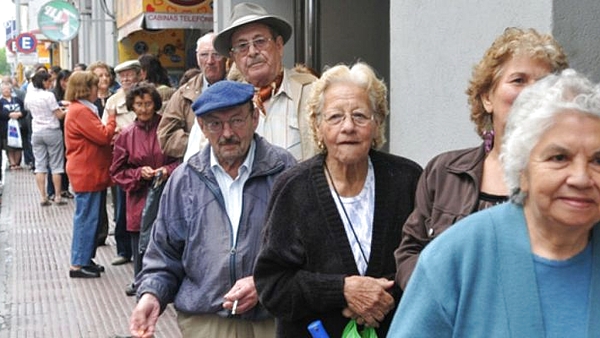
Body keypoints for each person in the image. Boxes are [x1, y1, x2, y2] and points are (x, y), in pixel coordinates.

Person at [388, 68, 600, 337]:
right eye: (559, 158)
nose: (581, 178)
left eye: (598, 160)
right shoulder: (457, 257)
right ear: (522, 170)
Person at [253, 63, 423, 337]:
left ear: (377, 122)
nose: (348, 127)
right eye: (334, 117)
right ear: (318, 126)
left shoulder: (407, 180)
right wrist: (343, 291)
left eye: (360, 115)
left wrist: (378, 297)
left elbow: (428, 267)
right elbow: (273, 285)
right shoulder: (293, 188)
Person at [393, 27, 569, 289]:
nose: (531, 92)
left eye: (543, 84)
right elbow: (410, 253)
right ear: (487, 97)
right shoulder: (443, 172)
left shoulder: (571, 178)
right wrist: (440, 295)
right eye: (518, 80)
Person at [129, 81, 296, 338]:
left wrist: (264, 283)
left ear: (254, 118)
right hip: (206, 322)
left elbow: (305, 250)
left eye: (237, 120)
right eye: (215, 124)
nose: (227, 133)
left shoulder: (285, 170)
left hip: (271, 319)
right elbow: (163, 254)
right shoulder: (184, 179)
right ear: (202, 127)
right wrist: (151, 294)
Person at [213, 2, 318, 161]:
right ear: (234, 58)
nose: (253, 52)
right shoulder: (222, 104)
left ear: (279, 46)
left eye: (260, 41)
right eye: (242, 46)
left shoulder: (313, 93)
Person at [110, 82, 180, 296]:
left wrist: (167, 170)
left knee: (170, 240)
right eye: (139, 104)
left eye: (148, 103)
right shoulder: (126, 135)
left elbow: (181, 159)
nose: (144, 109)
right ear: (132, 106)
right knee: (141, 241)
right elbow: (116, 171)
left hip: (168, 194)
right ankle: (141, 280)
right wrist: (138, 174)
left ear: (155, 104)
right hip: (139, 197)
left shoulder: (166, 129)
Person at [64, 71, 116, 278]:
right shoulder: (80, 111)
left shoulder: (80, 109)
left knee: (90, 217)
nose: (99, 89)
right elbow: (103, 136)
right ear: (86, 88)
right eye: (95, 86)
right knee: (86, 217)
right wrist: (112, 120)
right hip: (87, 170)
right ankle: (78, 263)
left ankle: (85, 258)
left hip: (89, 169)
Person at [157, 32, 227, 159]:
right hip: (198, 169)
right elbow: (166, 136)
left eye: (216, 55)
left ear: (226, 57)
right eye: (204, 55)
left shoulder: (241, 87)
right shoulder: (184, 94)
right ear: (197, 59)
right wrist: (200, 144)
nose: (210, 61)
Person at [104, 60, 143, 266]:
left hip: (145, 155)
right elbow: (106, 128)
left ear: (139, 75)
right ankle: (123, 249)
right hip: (122, 156)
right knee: (121, 206)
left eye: (130, 75)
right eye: (122, 76)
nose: (126, 79)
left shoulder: (147, 94)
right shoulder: (113, 101)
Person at [24, 71, 68, 206]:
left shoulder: (29, 96)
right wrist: (68, 110)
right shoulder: (48, 95)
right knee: (56, 165)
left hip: (37, 132)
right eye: (49, 81)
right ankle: (58, 196)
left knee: (40, 165)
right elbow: (59, 115)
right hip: (52, 131)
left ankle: (43, 197)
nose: (51, 84)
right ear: (43, 82)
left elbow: (28, 109)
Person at [87, 60, 115, 247]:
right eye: (99, 75)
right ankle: (100, 232)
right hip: (98, 151)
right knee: (99, 193)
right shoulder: (90, 102)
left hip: (116, 149)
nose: (104, 79)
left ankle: (119, 228)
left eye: (106, 75)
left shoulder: (116, 96)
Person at [48, 69, 74, 201]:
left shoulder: (73, 94)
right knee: (55, 160)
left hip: (70, 130)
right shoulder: (53, 94)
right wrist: (61, 105)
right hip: (57, 129)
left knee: (67, 160)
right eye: (64, 80)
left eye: (69, 80)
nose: (66, 83)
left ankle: (65, 188)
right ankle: (52, 190)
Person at [0, 81, 25, 171]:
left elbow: (24, 110)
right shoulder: (1, 101)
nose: (6, 91)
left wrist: (20, 114)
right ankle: (12, 163)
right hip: (6, 127)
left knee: (19, 145)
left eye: (8, 89)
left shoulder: (17, 100)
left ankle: (17, 163)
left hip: (19, 126)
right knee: (9, 146)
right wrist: (9, 115)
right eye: (4, 89)